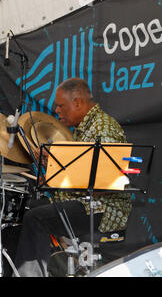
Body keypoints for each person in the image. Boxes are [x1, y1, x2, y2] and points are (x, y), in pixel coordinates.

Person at [13, 77, 130, 277]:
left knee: (36, 218)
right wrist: (54, 168)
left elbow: (106, 182)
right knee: (27, 209)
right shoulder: (85, 128)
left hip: (101, 209)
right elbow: (80, 172)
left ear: (77, 102)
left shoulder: (103, 128)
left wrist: (59, 170)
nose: (57, 111)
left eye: (60, 106)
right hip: (85, 202)